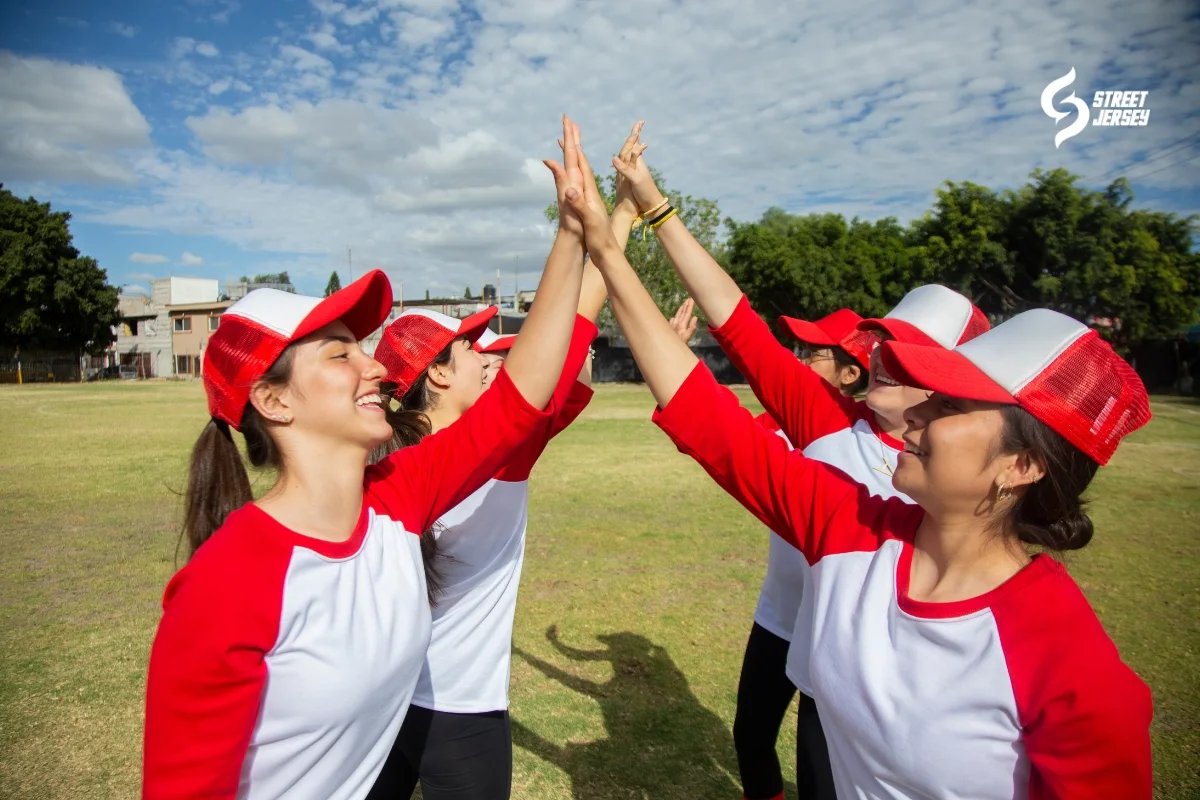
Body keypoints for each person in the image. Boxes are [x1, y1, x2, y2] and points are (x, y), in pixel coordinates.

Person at [563, 127, 1154, 798]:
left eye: (952, 403)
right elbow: (711, 417)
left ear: (1021, 466)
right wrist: (610, 251)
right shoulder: (851, 527)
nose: (921, 409)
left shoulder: (1075, 670)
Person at [142, 118, 588, 800]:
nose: (376, 366)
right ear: (273, 399)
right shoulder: (226, 583)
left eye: (364, 347)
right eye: (340, 354)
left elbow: (519, 401)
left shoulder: (397, 496)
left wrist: (572, 234)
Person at [613, 152, 990, 800]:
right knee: (765, 747)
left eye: (902, 356)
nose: (880, 358)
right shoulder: (824, 418)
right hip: (814, 654)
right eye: (882, 345)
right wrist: (654, 207)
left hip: (903, 691)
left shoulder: (969, 486)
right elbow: (735, 323)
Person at [365, 119, 645, 800]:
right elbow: (577, 320)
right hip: (459, 713)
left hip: (375, 707)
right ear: (435, 377)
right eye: (468, 350)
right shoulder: (504, 446)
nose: (485, 355)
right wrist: (621, 216)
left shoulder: (377, 464)